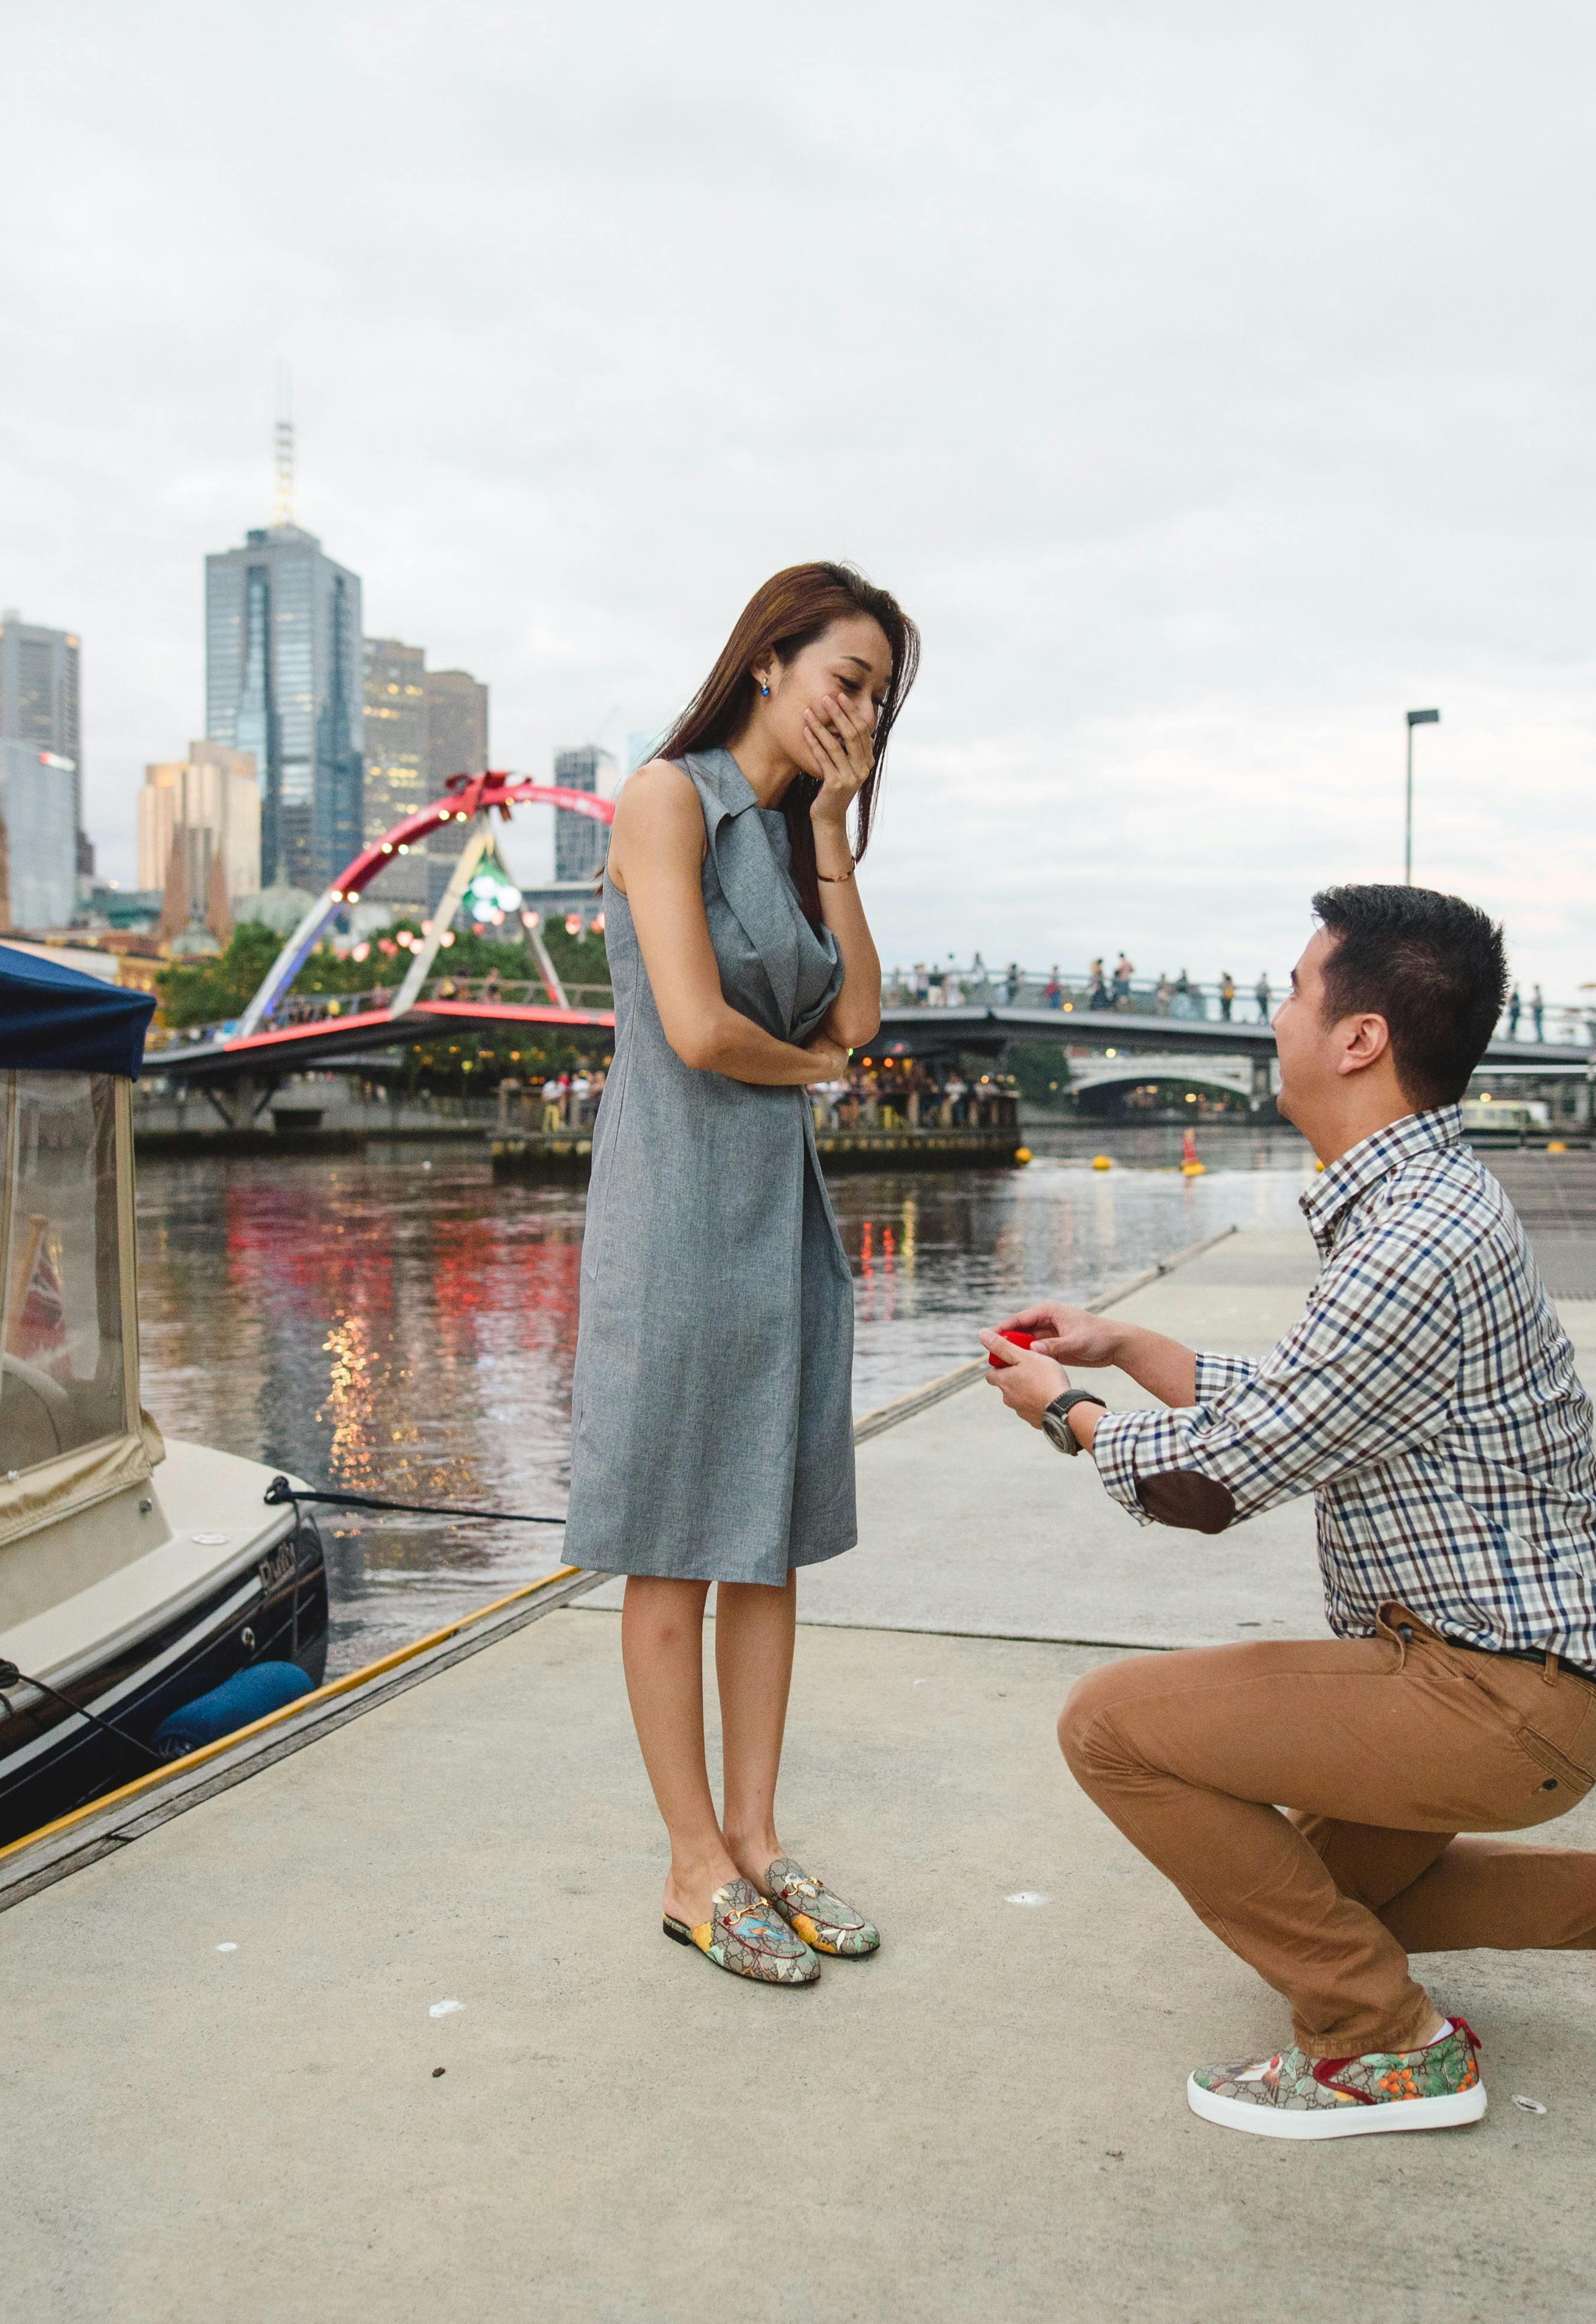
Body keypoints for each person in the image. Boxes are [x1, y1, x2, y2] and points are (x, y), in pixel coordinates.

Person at [981, 884, 1596, 2137]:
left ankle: (1381, 2043)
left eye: (1295, 993)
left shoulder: (1413, 1236)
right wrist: (1132, 1347)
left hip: (1488, 1694)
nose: (1275, 1020)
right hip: (1508, 1681)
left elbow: (1223, 1481)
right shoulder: (1424, 1208)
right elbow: (1322, 1405)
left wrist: (1060, 1412)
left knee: (1111, 1729)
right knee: (1307, 1889)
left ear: (1359, 1037)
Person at [568, 561, 917, 1989]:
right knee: (675, 1549)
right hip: (676, 1217)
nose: (862, 713)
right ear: (770, 661)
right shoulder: (669, 801)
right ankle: (691, 1863)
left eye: (884, 700)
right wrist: (821, 1073)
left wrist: (834, 825)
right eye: (848, 679)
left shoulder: (785, 834)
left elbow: (863, 1011)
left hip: (777, 1217)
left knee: (763, 1543)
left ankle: (759, 1841)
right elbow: (704, 1030)